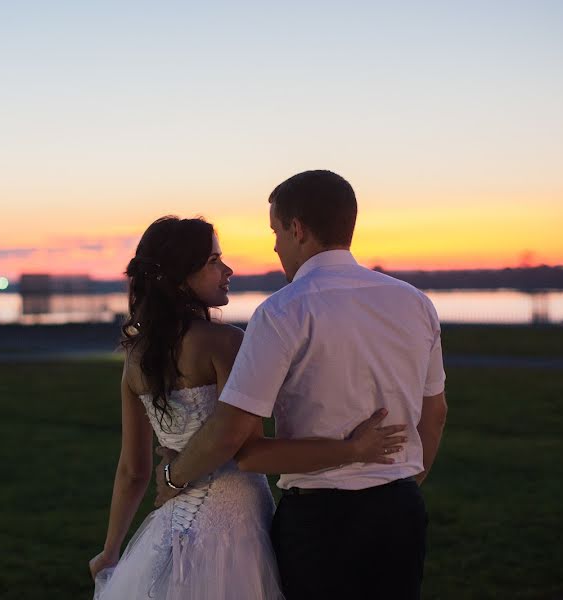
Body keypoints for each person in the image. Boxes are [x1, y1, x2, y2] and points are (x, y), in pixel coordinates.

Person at [155, 171, 448, 600]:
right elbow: (435, 414)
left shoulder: (283, 311)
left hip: (320, 521)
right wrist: (398, 483)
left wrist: (173, 477)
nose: (274, 246)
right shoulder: (415, 303)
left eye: (275, 231)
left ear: (297, 229)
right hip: (400, 511)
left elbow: (241, 441)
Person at [89, 215, 408, 600]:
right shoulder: (225, 343)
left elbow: (133, 470)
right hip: (235, 528)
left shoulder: (136, 358)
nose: (228, 269)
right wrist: (353, 450)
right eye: (212, 261)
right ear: (179, 276)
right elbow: (245, 448)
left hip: (172, 528)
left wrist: (111, 551)